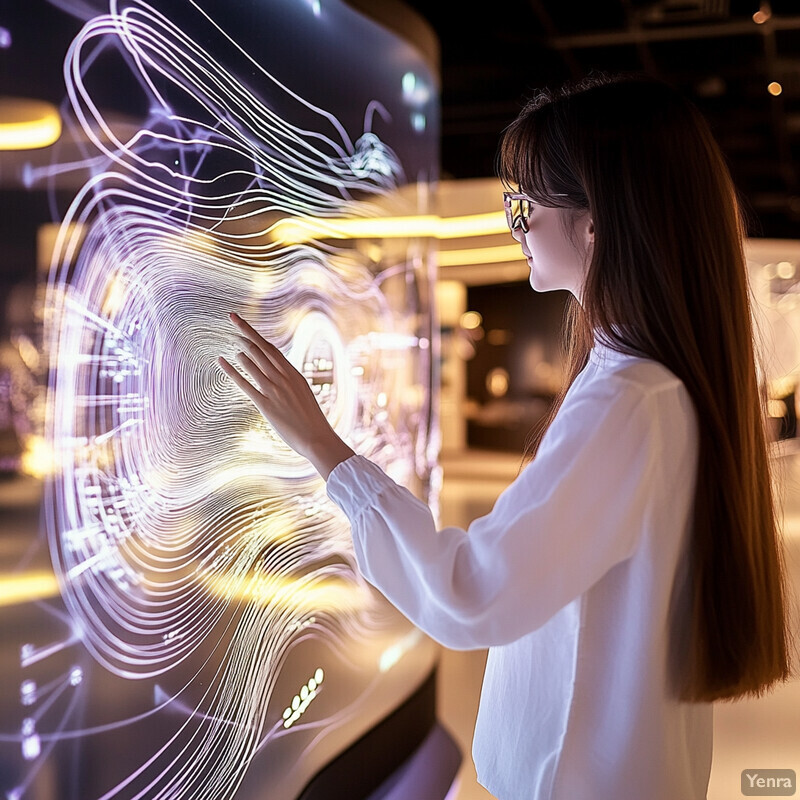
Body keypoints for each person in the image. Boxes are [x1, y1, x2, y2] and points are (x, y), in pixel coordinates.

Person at [217, 70, 794, 800]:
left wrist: (326, 451)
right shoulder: (647, 386)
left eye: (525, 205)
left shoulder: (628, 400)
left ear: (596, 222)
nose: (515, 228)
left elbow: (472, 592)